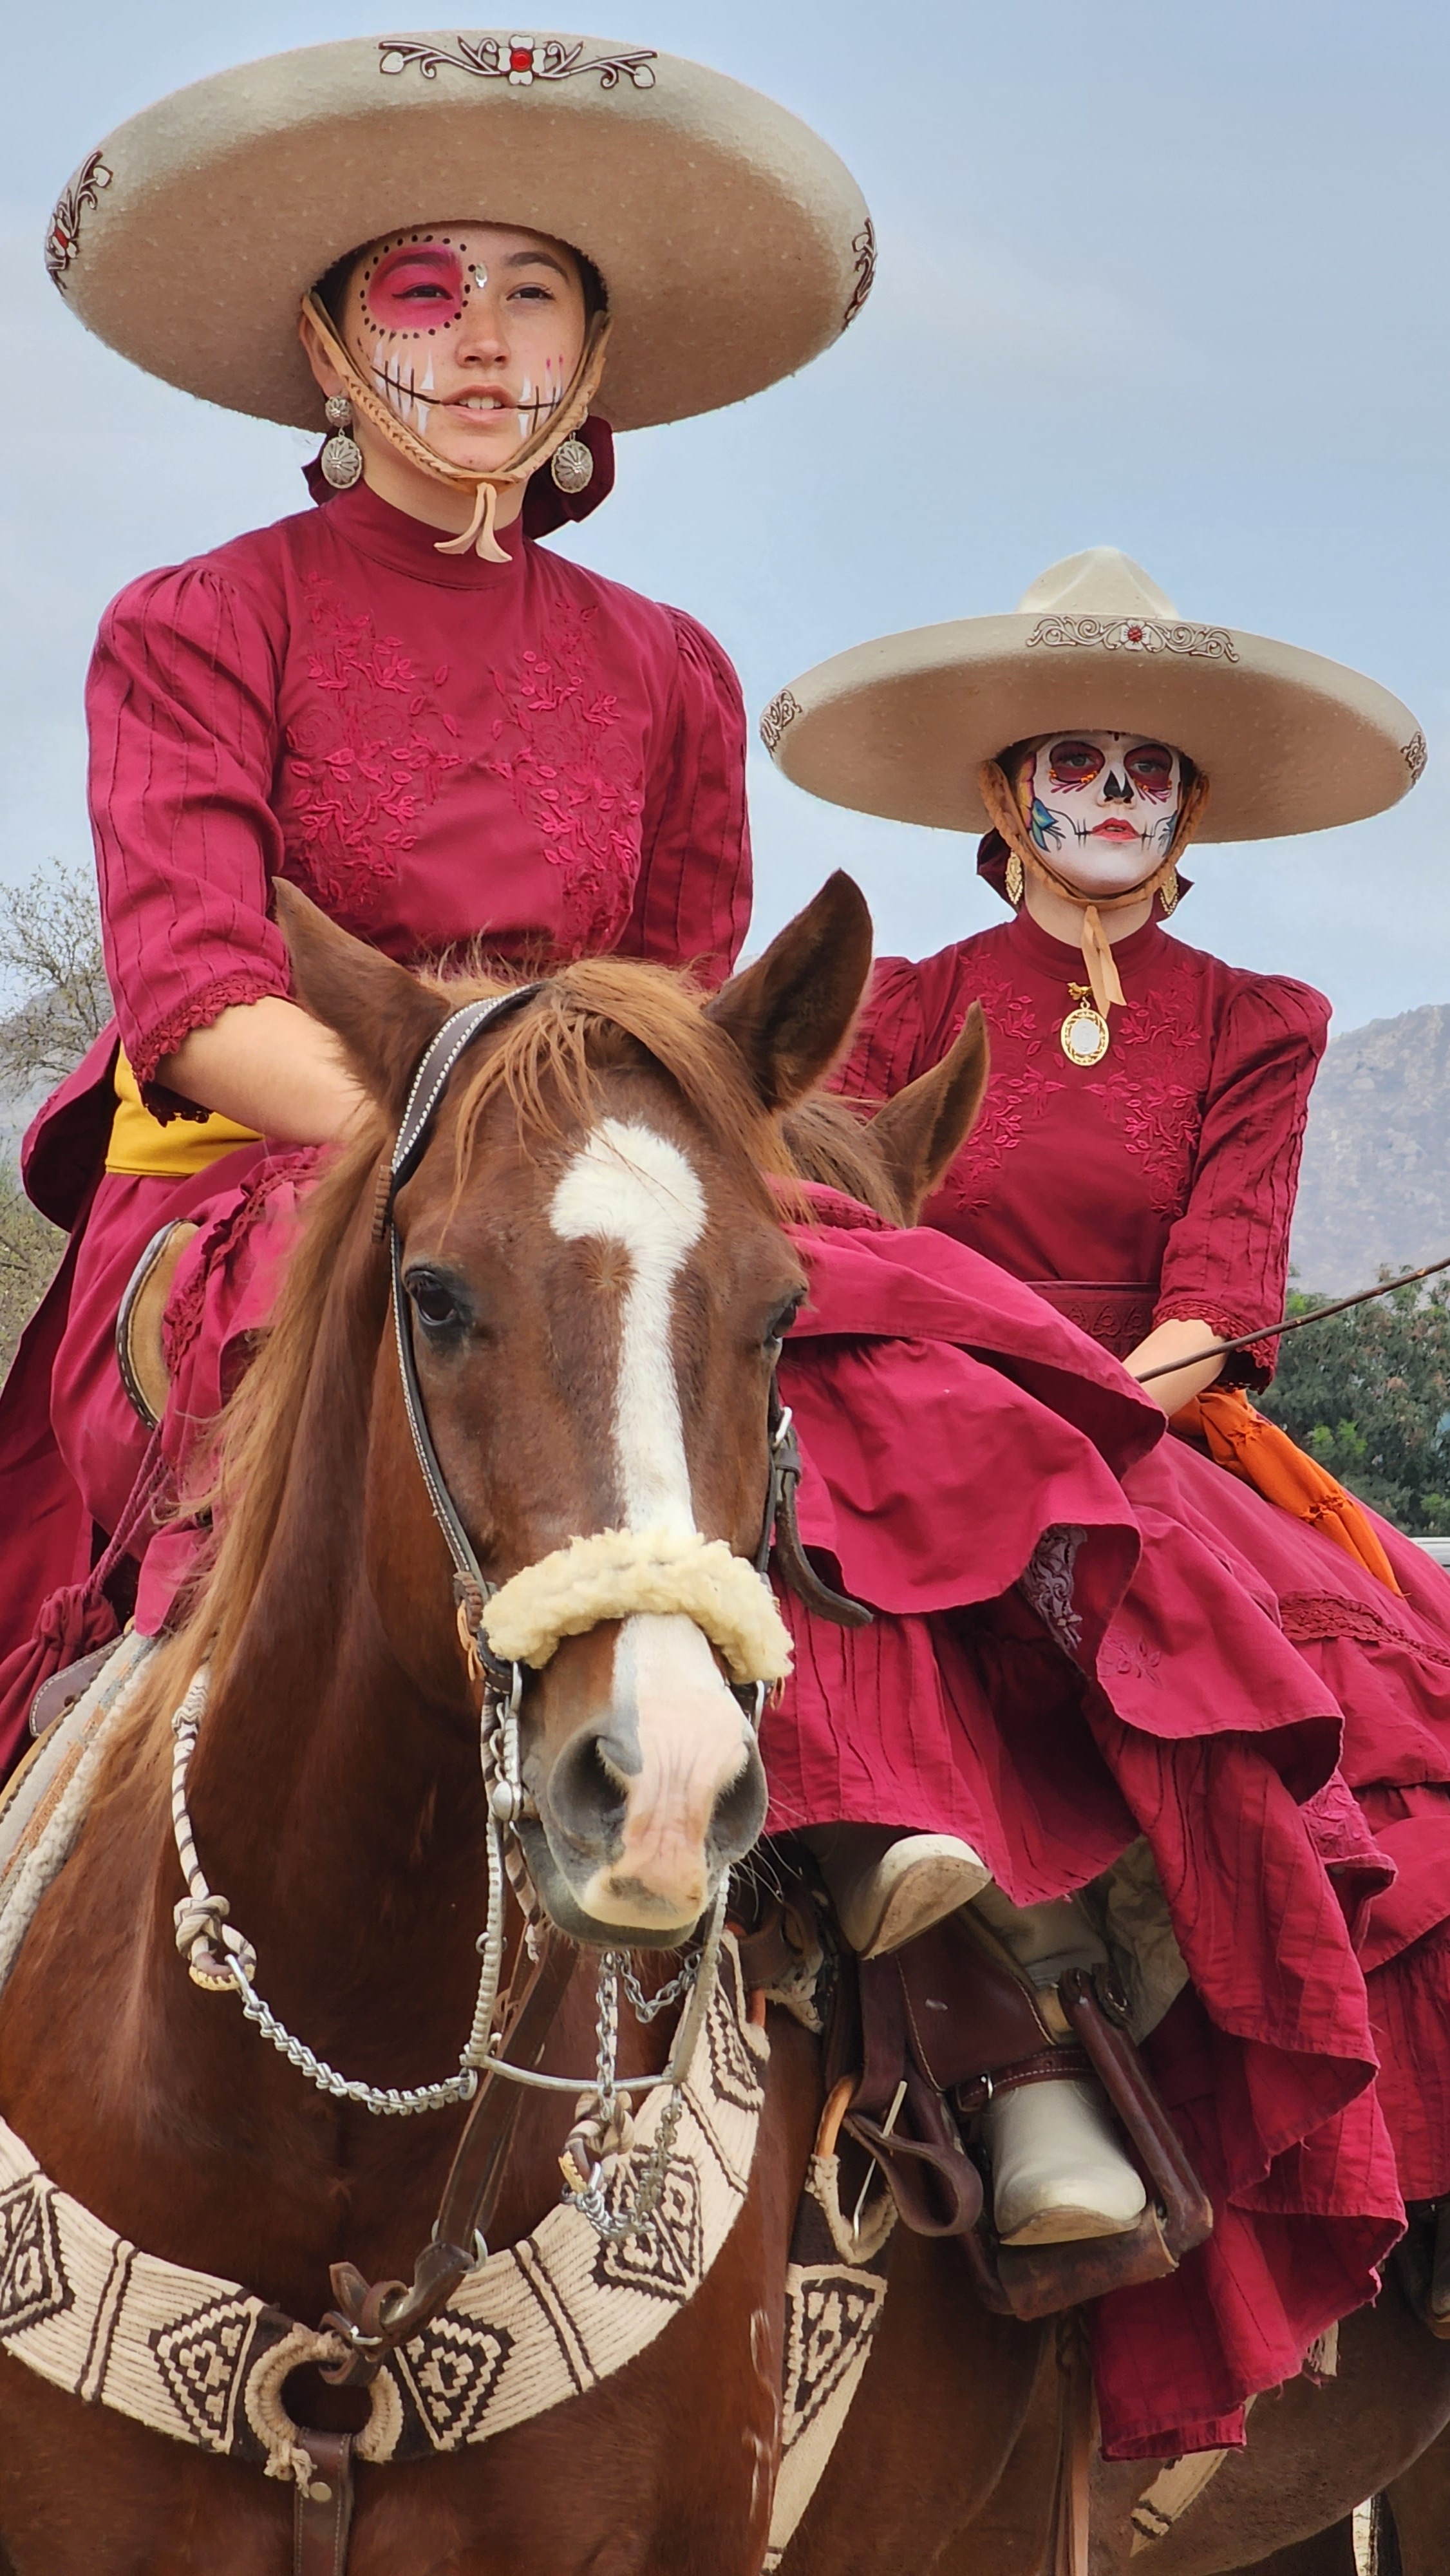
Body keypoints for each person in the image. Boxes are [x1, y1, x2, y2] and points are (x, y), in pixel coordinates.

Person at [0, 29, 875, 1751]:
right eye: (419, 291)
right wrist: (464, 1159)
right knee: (315, 1370)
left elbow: (682, 1013)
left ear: (593, 349)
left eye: (532, 293)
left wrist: (589, 1172)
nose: (481, 337)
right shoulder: (195, 618)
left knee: (892, 1359)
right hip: (286, 1166)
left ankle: (919, 1884)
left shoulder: (676, 666)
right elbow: (189, 990)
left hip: (612, 1184)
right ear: (328, 345)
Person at [764, 544, 1450, 2294]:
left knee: (1374, 1732)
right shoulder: (903, 999)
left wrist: (1074, 1405)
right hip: (899, 1396)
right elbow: (830, 1224)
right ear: (1007, 790)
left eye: (1149, 771)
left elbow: (1216, 1300)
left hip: (1142, 1417)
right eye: (1077, 762)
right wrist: (953, 1387)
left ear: (1190, 805)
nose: (1114, 797)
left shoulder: (1255, 1022)